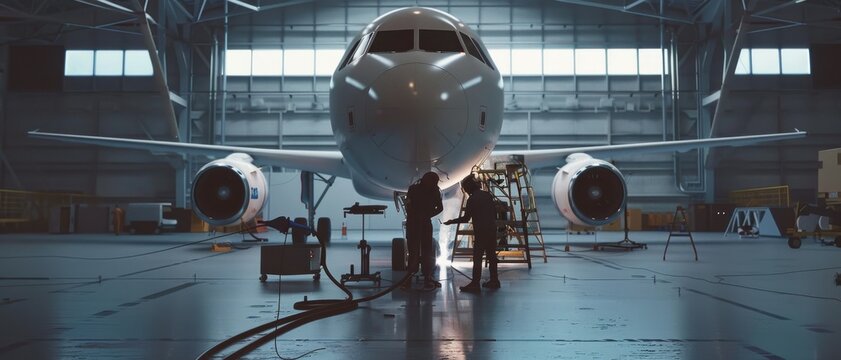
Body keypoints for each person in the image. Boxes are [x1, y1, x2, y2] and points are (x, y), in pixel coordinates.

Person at [444, 174, 499, 292]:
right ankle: (494, 280)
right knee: (492, 256)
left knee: (477, 258)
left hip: (481, 232)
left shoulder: (472, 199)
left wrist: (451, 222)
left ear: (468, 188)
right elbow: (495, 213)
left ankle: (475, 283)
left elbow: (465, 219)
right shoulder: (487, 195)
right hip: (491, 230)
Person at [404, 172, 443, 290]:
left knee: (414, 251)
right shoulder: (434, 191)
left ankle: (409, 279)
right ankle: (426, 278)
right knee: (426, 252)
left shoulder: (413, 189)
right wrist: (427, 215)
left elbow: (408, 205)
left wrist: (415, 216)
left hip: (414, 223)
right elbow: (440, 208)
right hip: (424, 223)